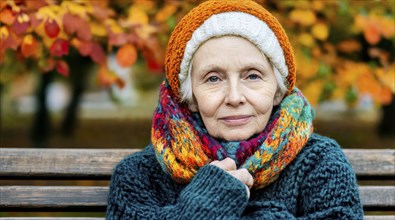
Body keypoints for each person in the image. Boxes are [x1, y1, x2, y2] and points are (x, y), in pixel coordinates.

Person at [106, 0, 363, 219]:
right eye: (213, 79)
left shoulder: (320, 163)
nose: (234, 97)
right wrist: (201, 206)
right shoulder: (138, 176)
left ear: (277, 90)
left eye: (252, 76)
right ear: (190, 97)